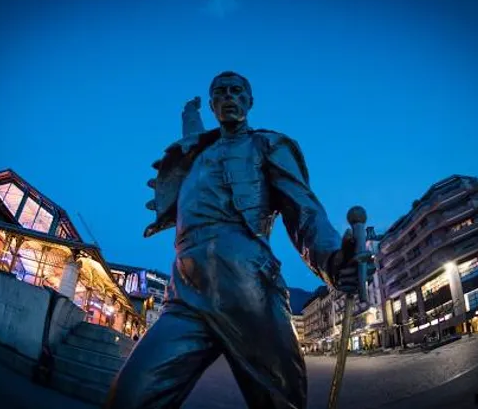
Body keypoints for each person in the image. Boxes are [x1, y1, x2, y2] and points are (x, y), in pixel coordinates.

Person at [105, 71, 374, 409]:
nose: (229, 97)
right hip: (185, 292)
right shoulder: (194, 158)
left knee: (280, 403)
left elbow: (304, 211)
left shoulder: (267, 145)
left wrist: (334, 260)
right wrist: (189, 115)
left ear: (249, 101)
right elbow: (192, 135)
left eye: (237, 91)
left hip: (249, 290)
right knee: (129, 396)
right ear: (213, 104)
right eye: (221, 92)